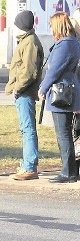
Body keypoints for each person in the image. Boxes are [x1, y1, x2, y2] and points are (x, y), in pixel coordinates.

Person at [38, 12, 80, 183]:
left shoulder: (65, 44)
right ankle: (69, 170)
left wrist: (42, 88)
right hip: (68, 88)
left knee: (63, 133)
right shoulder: (73, 42)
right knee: (65, 133)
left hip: (61, 92)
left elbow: (54, 70)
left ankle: (68, 172)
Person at [5, 10, 44, 181]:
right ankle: (26, 164)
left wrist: (17, 88)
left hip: (25, 92)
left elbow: (29, 71)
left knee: (28, 129)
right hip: (22, 91)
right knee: (25, 128)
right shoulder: (25, 41)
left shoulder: (30, 43)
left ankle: (29, 166)